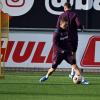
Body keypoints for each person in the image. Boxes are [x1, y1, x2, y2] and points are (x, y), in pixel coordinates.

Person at [39, 2, 89, 84]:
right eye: (65, 25)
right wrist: (61, 50)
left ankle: (82, 80)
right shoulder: (56, 33)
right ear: (60, 24)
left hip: (67, 52)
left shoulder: (66, 31)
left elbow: (67, 41)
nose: (66, 27)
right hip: (59, 53)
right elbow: (55, 45)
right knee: (53, 69)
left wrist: (70, 49)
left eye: (67, 25)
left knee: (75, 65)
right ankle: (46, 76)